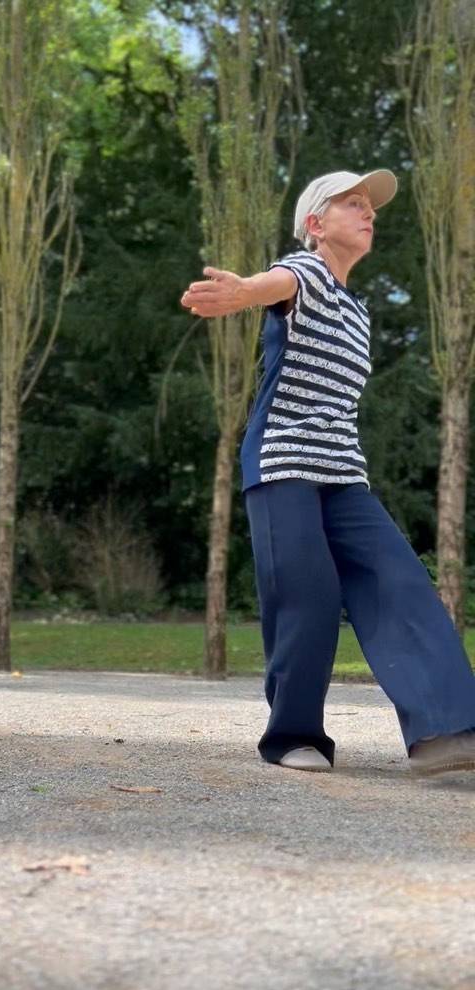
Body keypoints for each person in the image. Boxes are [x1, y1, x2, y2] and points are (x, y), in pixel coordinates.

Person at [180, 168, 475, 777]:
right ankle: (292, 735)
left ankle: (443, 731)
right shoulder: (305, 272)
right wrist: (241, 294)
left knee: (401, 582)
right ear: (317, 223)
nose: (368, 213)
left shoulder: (356, 310)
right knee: (306, 595)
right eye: (353, 203)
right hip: (283, 461)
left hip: (343, 472)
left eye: (371, 207)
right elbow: (276, 282)